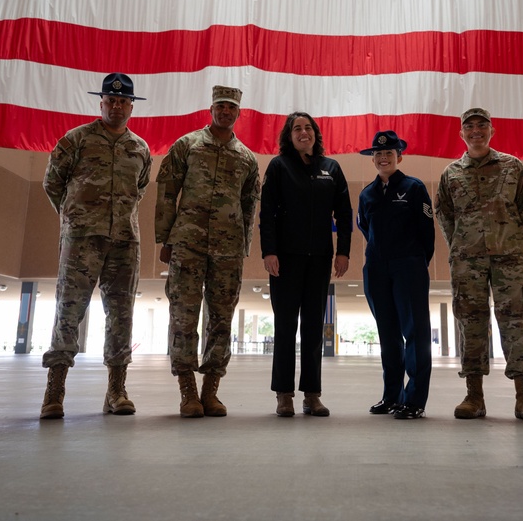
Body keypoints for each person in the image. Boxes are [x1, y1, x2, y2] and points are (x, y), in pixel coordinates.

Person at [39, 72, 152, 420]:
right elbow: (52, 183)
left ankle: (116, 390)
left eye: (123, 101)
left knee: (121, 315)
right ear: (101, 102)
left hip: (124, 242)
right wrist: (74, 218)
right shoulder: (76, 140)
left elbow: (140, 189)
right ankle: (54, 391)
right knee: (69, 311)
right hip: (81, 241)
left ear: (132, 106)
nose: (116, 106)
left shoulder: (141, 148)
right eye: (110, 100)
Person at [435, 107, 523, 422]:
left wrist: (518, 242)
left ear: (491, 130)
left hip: (509, 257)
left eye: (481, 126)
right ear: (462, 134)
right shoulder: (451, 173)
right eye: (469, 127)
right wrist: (460, 244)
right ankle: (474, 395)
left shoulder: (513, 167)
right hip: (467, 259)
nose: (475, 131)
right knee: (470, 322)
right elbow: (445, 214)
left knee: (517, 322)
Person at [155, 85, 260, 418]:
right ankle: (187, 391)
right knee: (183, 317)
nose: (225, 112)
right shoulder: (187, 145)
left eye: (231, 107)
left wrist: (243, 246)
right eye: (220, 106)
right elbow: (168, 192)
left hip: (228, 249)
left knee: (222, 319)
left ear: (238, 113)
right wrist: (165, 238)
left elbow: (248, 206)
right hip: (188, 243)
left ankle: (210, 390)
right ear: (211, 109)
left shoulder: (247, 158)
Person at [260, 112, 352, 417]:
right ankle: (283, 394)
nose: (303, 132)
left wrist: (344, 252)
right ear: (289, 135)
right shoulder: (279, 166)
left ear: (316, 134)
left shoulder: (331, 168)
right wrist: (269, 251)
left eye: (308, 128)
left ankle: (312, 394)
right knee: (285, 327)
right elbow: (267, 213)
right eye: (297, 128)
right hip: (285, 261)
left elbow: (345, 214)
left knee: (314, 327)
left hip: (320, 259)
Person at [357, 131, 435, 420]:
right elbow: (365, 228)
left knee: (415, 332)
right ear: (373, 159)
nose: (383, 157)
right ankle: (392, 396)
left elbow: (427, 232)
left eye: (389, 152)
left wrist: (414, 261)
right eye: (378, 154)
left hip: (409, 267)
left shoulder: (414, 188)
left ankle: (414, 399)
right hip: (376, 268)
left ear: (399, 156)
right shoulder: (367, 193)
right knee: (388, 334)